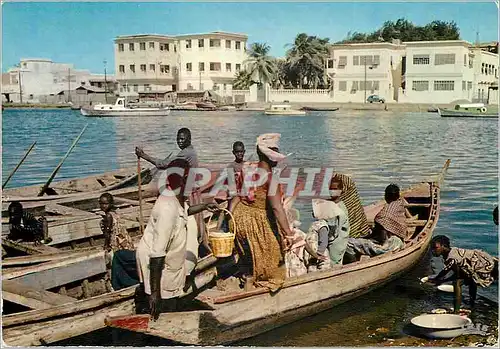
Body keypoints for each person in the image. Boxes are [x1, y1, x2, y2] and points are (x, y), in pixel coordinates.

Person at [134, 159, 219, 320]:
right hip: (158, 265)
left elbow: (185, 211)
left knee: (171, 296)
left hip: (169, 262)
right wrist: (155, 294)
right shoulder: (167, 208)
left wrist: (204, 207)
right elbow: (157, 256)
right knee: (163, 305)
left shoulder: (177, 197)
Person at [229, 133, 295, 292]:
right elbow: (276, 209)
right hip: (256, 221)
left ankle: (248, 274)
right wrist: (288, 234)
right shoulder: (270, 178)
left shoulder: (248, 168)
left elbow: (238, 196)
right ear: (271, 157)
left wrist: (230, 217)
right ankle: (255, 280)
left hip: (239, 217)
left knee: (250, 254)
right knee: (275, 265)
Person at [135, 128, 208, 255]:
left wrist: (143, 155)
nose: (179, 141)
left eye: (182, 139)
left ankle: (193, 248)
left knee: (188, 221)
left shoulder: (187, 153)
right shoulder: (189, 151)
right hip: (192, 190)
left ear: (189, 139)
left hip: (188, 192)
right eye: (178, 139)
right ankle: (197, 245)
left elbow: (163, 164)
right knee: (193, 221)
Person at [429, 235, 498, 313]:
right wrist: (438, 279)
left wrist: (439, 280)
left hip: (489, 266)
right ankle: (472, 305)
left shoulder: (452, 257)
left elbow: (456, 275)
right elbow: (456, 272)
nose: (433, 251)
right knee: (471, 281)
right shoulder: (452, 252)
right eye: (432, 248)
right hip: (484, 264)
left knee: (457, 283)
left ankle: (456, 311)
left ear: (443, 246)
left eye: (435, 248)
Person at [344, 184, 407, 262]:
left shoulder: (383, 215)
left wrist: (365, 237)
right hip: (399, 242)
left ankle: (352, 264)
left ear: (386, 196)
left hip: (387, 247)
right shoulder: (399, 204)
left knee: (348, 243)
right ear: (398, 196)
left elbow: (382, 239)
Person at [307, 180, 350, 269]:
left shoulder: (340, 208)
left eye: (335, 189)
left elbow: (335, 228)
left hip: (337, 241)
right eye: (330, 189)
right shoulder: (329, 203)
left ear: (341, 190)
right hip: (329, 237)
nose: (332, 191)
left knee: (334, 262)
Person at [99, 193, 137, 291]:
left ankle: (119, 283)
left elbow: (108, 234)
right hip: (124, 239)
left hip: (118, 241)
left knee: (116, 260)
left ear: (110, 204)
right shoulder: (114, 213)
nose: (103, 206)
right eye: (101, 203)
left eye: (105, 204)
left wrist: (106, 246)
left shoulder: (108, 216)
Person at [331, 173, 371, 238]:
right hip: (362, 233)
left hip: (350, 236)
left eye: (334, 189)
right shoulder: (353, 198)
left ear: (342, 188)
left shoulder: (341, 204)